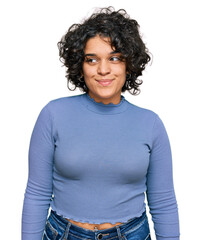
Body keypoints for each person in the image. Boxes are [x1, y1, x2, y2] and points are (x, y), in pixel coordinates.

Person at [21, 6, 180, 240]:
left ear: (129, 64)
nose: (103, 70)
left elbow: (163, 202)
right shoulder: (53, 115)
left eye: (114, 58)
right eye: (92, 59)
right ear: (80, 65)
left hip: (132, 234)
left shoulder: (151, 124)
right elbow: (37, 193)